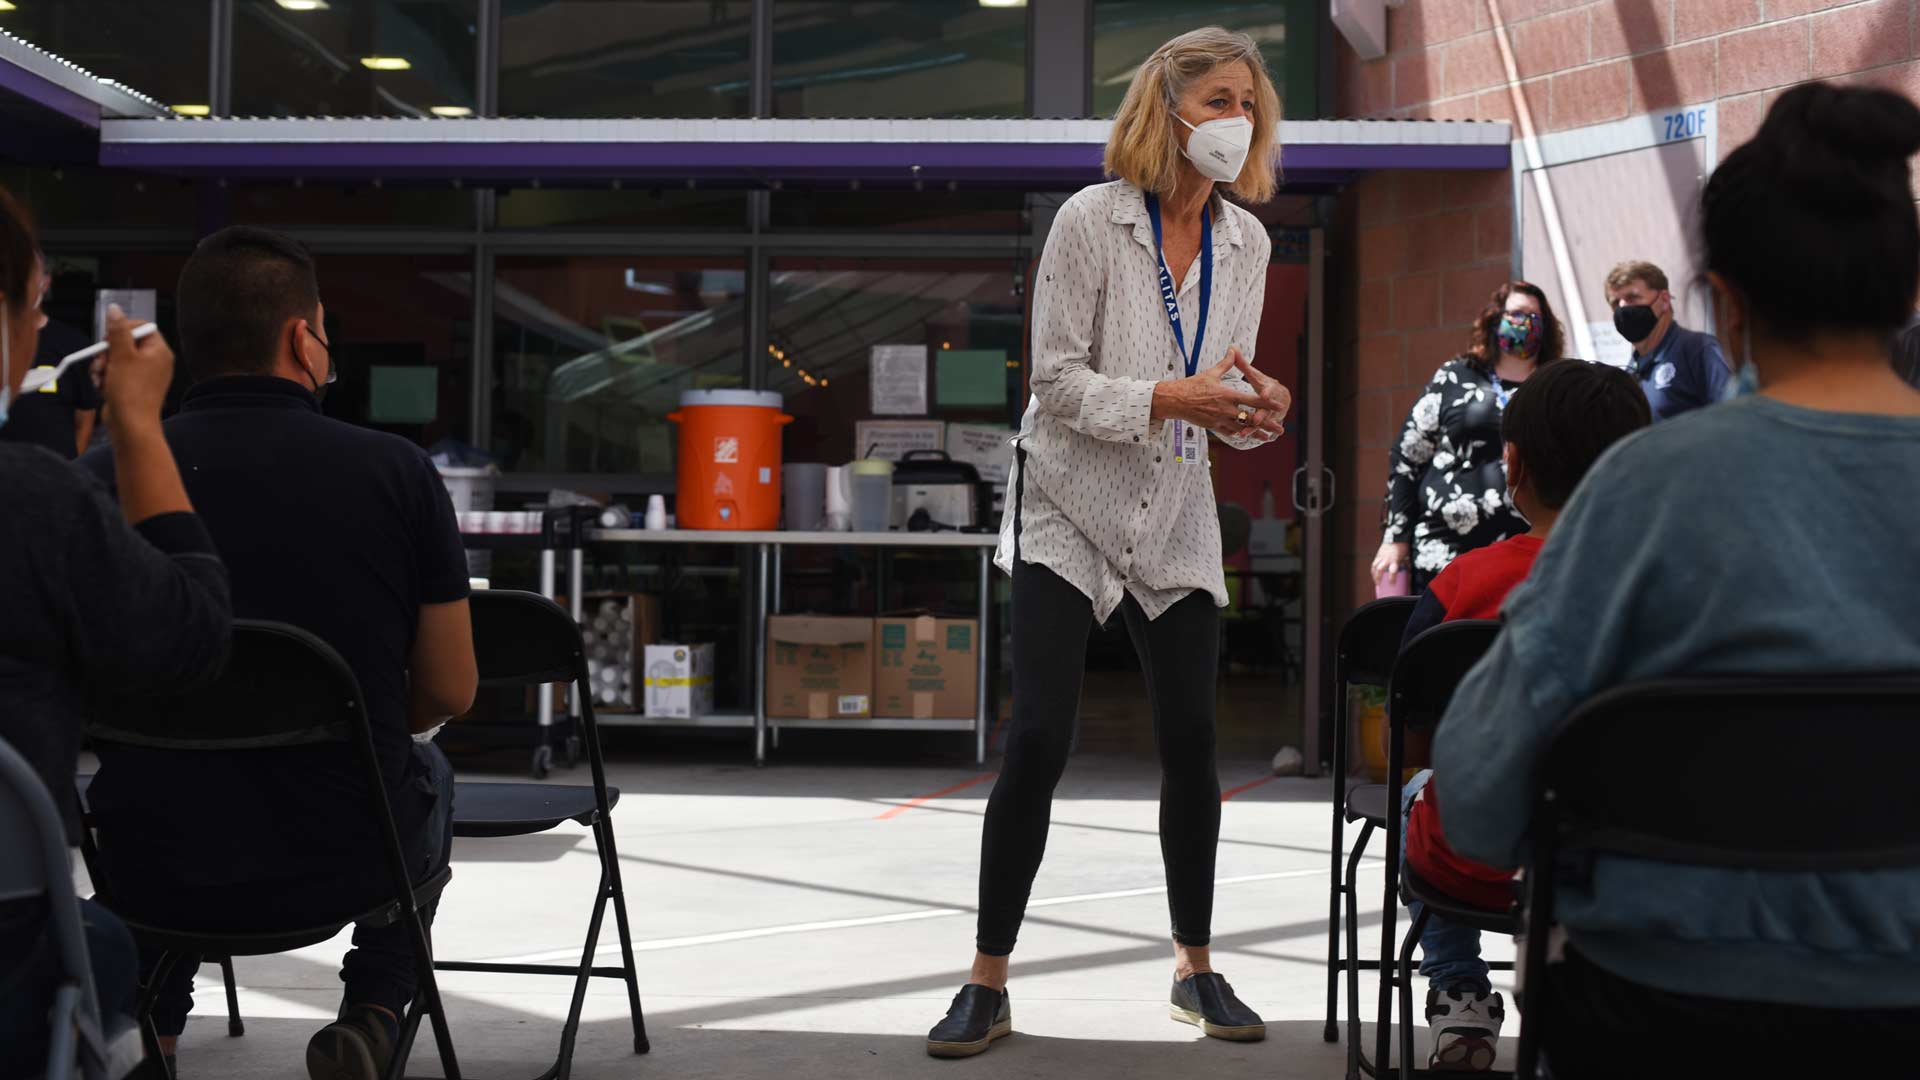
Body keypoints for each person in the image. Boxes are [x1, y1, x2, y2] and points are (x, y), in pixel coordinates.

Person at [1434, 83, 1920, 1077]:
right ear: (1910, 292)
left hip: (1655, 1021)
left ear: (1723, 301)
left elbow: (1479, 802)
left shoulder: (1641, 492)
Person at [924, 26, 1291, 1059]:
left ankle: (1195, 967)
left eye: (1249, 103)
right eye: (1220, 99)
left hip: (1174, 512)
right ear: (1166, 107)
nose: (1238, 120)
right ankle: (986, 982)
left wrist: (1264, 408)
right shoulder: (1091, 221)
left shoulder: (1247, 244)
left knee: (1193, 743)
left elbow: (1227, 399)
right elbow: (1055, 381)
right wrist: (1169, 396)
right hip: (1065, 509)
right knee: (1040, 737)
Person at [80, 226, 477, 1080]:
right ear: (304, 338)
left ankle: (154, 1022)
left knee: (174, 780)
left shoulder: (101, 476)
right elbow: (451, 687)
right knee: (431, 776)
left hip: (149, 853)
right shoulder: (397, 472)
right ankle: (373, 1008)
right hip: (342, 857)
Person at [0, 187, 232, 1079]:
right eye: (33, 307)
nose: (36, 330)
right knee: (100, 955)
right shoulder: (34, 502)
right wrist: (138, 424)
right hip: (11, 939)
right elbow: (193, 643)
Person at [1391, 360, 1649, 1072]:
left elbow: (1408, 718)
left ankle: (1461, 994)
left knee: (1416, 789)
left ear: (1514, 466)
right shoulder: (1662, 583)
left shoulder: (1463, 582)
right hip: (1626, 861)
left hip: (1472, 860)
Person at [1371, 282, 1564, 592]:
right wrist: (1396, 538)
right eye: (1515, 313)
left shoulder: (1555, 386)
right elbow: (1408, 455)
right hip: (1444, 549)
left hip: (1526, 554)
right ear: (1496, 318)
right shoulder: (1455, 376)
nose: (1524, 322)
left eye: (1533, 315)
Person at [1602, 259, 1730, 420]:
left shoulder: (1699, 350)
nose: (1622, 307)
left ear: (1663, 300)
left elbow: (1731, 416)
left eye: (1632, 297)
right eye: (1615, 303)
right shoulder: (1629, 375)